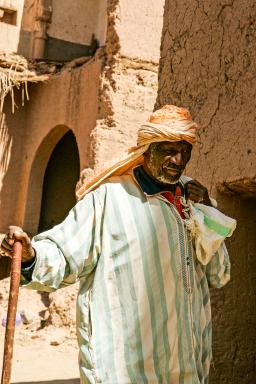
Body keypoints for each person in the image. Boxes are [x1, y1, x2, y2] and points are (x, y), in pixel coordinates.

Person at [0, 105, 235, 384]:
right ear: (146, 150)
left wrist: (206, 211)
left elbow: (218, 275)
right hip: (126, 369)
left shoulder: (191, 199)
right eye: (169, 150)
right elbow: (65, 254)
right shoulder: (109, 199)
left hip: (186, 366)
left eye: (185, 151)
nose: (179, 159)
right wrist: (30, 256)